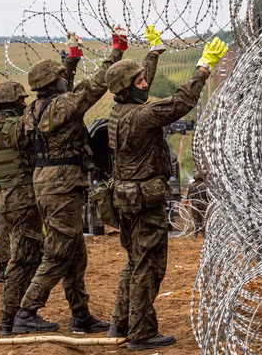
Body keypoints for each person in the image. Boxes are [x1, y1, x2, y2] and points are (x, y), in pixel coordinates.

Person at [105, 34, 228, 350]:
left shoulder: (118, 113)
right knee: (150, 266)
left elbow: (136, 86)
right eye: (141, 81)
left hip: (126, 199)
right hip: (145, 203)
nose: (145, 84)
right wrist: (203, 69)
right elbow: (180, 103)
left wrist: (154, 54)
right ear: (128, 87)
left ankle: (120, 323)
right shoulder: (141, 116)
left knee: (135, 261)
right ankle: (142, 332)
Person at [12, 27, 129, 334]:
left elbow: (70, 89)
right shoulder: (62, 106)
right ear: (55, 82)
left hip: (47, 182)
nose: (66, 77)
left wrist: (73, 58)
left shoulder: (34, 110)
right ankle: (27, 310)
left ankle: (80, 314)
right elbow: (93, 87)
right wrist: (116, 52)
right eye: (62, 75)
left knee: (75, 252)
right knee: (59, 251)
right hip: (62, 184)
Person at [0, 75, 43, 336]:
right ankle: (11, 318)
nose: (26, 102)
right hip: (23, 197)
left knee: (28, 255)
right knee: (25, 259)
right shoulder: (21, 127)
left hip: (3, 198)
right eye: (22, 99)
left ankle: (17, 315)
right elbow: (41, 112)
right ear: (15, 103)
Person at [186, 169, 209, 237]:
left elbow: (188, 195)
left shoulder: (192, 186)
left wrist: (187, 203)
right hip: (204, 204)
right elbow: (208, 195)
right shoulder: (205, 185)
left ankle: (195, 234)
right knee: (203, 218)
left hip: (194, 204)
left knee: (195, 218)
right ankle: (204, 234)